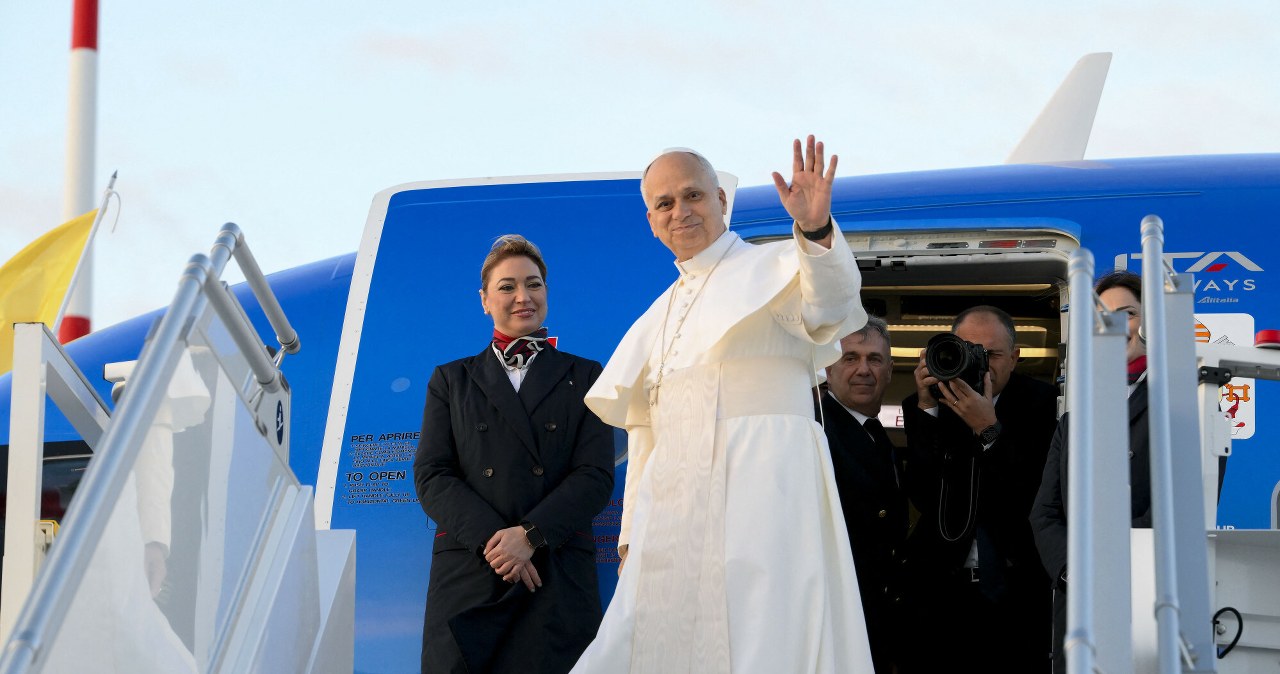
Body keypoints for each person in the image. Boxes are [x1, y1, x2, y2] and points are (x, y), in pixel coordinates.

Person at [571, 136, 873, 673]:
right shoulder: (657, 315)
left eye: (693, 195)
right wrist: (631, 538)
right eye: (665, 203)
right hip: (673, 516)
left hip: (764, 492)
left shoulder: (778, 265)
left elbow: (830, 304)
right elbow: (645, 432)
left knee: (764, 640)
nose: (680, 212)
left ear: (721, 200)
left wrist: (816, 230)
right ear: (651, 221)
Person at [413, 235, 615, 674]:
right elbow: (432, 475)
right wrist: (499, 542)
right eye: (507, 287)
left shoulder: (585, 375)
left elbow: (595, 476)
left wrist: (530, 536)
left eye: (533, 284)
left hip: (553, 572)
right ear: (485, 300)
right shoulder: (451, 380)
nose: (523, 296)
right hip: (472, 572)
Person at [899, 305, 1057, 672]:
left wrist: (989, 429)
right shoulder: (928, 405)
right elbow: (922, 495)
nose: (981, 364)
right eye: (969, 351)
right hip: (943, 595)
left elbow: (1034, 495)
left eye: (992, 354)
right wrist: (927, 408)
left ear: (1015, 358)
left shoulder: (1047, 405)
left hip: (1019, 594)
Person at [1030, 270, 1151, 674]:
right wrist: (1073, 573)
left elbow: (1183, 510)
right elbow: (1044, 513)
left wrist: (1108, 570)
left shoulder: (1186, 404)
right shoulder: (1073, 420)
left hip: (1144, 604)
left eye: (1128, 314)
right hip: (1077, 609)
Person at [820, 317, 910, 673]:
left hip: (878, 625)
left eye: (874, 359)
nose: (863, 369)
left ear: (889, 371)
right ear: (827, 369)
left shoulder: (876, 434)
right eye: (850, 358)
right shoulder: (816, 429)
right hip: (841, 626)